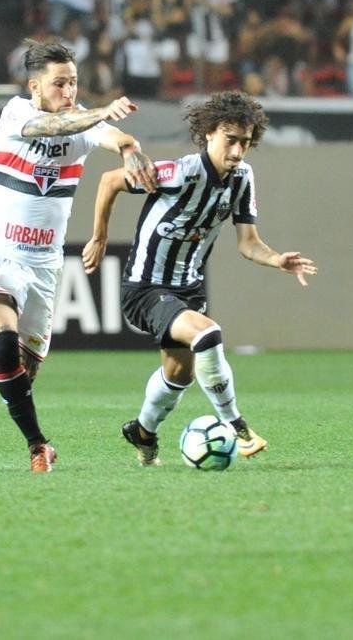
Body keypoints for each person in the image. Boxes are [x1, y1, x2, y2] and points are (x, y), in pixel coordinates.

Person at [0, 40, 158, 473]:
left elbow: (112, 135)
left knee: (20, 371)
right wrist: (99, 113)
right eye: (59, 83)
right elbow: (50, 129)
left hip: (43, 265)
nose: (69, 90)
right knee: (3, 348)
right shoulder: (17, 113)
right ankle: (39, 446)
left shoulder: (83, 121)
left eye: (74, 82)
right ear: (34, 86)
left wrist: (129, 146)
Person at [81, 91, 317, 466]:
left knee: (178, 375)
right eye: (230, 140)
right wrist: (99, 237)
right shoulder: (181, 172)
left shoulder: (241, 179)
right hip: (145, 287)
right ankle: (236, 426)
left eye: (245, 142)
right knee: (208, 334)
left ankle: (142, 431)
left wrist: (277, 260)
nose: (238, 151)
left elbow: (248, 244)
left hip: (187, 288)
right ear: (209, 134)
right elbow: (110, 180)